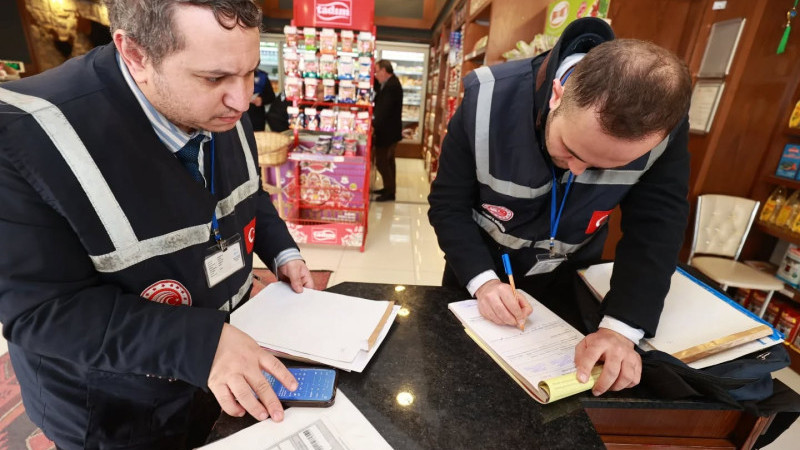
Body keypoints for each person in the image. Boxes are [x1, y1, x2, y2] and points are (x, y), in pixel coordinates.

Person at [0, 1, 315, 448]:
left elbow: (245, 191)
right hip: (115, 409)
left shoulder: (223, 106)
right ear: (135, 54)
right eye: (214, 78)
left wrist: (283, 250)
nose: (241, 100)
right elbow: (41, 310)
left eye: (249, 73)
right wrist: (202, 345)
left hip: (221, 376)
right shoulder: (22, 136)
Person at [428, 18, 692, 397]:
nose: (580, 169)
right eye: (570, 149)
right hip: (477, 267)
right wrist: (482, 283)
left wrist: (621, 328)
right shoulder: (487, 97)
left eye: (605, 166)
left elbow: (658, 228)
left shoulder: (661, 128)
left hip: (570, 278)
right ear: (557, 94)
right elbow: (448, 205)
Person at [371, 59, 403, 202]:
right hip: (391, 131)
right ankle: (389, 188)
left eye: (377, 71)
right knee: (389, 162)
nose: (375, 74)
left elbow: (384, 111)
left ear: (384, 71)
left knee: (382, 161)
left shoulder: (392, 86)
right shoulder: (388, 83)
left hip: (387, 132)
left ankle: (390, 192)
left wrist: (373, 124)